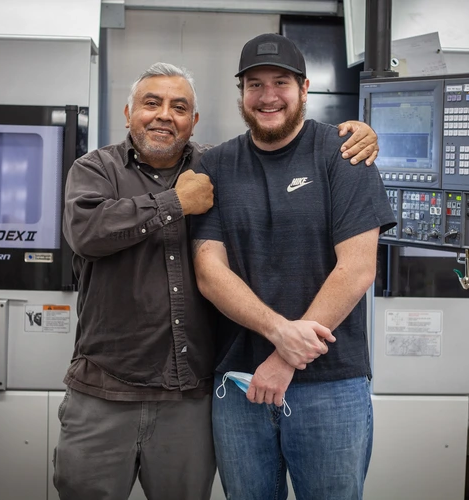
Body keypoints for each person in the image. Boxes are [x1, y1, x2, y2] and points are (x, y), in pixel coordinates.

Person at [53, 60, 381, 500]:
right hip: (104, 391)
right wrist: (173, 203)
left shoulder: (216, 165)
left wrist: (361, 132)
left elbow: (278, 145)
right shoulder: (95, 169)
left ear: (194, 121)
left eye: (179, 106)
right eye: (151, 103)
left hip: (188, 397)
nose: (164, 115)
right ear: (128, 112)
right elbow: (87, 233)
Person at [191, 34, 397, 500]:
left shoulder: (343, 154)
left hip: (332, 384)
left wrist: (286, 356)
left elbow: (357, 269)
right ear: (240, 92)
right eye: (255, 84)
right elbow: (210, 271)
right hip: (240, 385)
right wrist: (280, 332)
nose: (267, 96)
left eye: (280, 82)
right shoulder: (217, 165)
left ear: (304, 88)